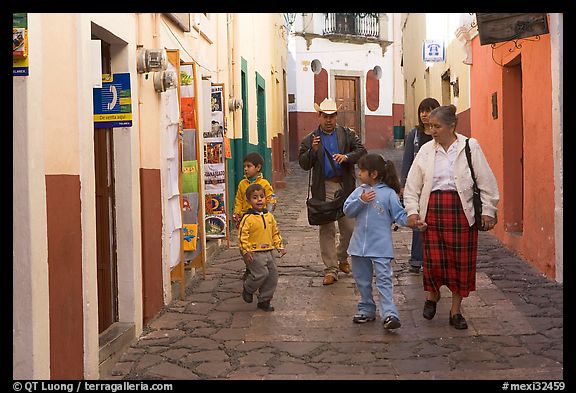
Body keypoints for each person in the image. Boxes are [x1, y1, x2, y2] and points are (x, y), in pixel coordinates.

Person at [403, 105, 499, 330]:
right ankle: (432, 295)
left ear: (452, 125)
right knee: (434, 261)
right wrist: (412, 211)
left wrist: (488, 210)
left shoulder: (469, 147)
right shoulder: (427, 150)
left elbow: (486, 181)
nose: (432, 130)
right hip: (434, 211)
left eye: (437, 126)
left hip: (461, 211)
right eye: (430, 126)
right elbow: (412, 185)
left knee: (460, 263)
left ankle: (456, 311)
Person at [343, 154, 419, 329]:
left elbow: (399, 215)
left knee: (384, 280)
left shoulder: (389, 194)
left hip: (381, 247)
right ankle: (366, 308)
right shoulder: (359, 192)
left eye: (362, 170)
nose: (359, 173)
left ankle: (389, 313)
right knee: (362, 281)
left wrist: (412, 222)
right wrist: (361, 201)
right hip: (358, 247)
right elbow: (348, 210)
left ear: (374, 174)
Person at [298, 98, 367, 285]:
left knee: (349, 227)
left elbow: (361, 151)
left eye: (332, 116)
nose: (329, 120)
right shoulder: (310, 139)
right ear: (319, 116)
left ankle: (341, 256)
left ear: (336, 116)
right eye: (325, 116)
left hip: (345, 186)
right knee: (327, 229)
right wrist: (312, 151)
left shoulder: (347, 134)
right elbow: (304, 164)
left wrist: (346, 157)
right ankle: (331, 269)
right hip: (324, 187)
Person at [400, 98, 440, 274]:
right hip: (419, 184)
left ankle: (436, 257)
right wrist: (404, 184)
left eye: (429, 110)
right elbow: (407, 160)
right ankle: (417, 259)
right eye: (422, 110)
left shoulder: (440, 133)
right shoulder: (414, 135)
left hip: (437, 182)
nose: (424, 114)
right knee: (419, 218)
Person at [238, 183, 286, 312]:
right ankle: (248, 288)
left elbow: (275, 232)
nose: (259, 200)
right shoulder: (247, 218)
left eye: (261, 197)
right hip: (254, 252)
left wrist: (279, 246)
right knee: (261, 274)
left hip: (268, 251)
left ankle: (264, 300)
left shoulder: (269, 216)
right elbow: (242, 236)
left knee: (272, 276)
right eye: (255, 197)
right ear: (248, 201)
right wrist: (246, 251)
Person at [233, 152, 276, 280]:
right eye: (244, 166)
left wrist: (268, 212)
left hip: (260, 219)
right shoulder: (242, 184)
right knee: (245, 245)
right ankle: (249, 267)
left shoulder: (264, 184)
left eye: (249, 166)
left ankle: (259, 267)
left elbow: (271, 198)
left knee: (259, 244)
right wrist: (237, 213)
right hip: (246, 219)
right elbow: (239, 199)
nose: (245, 169)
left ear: (258, 168)